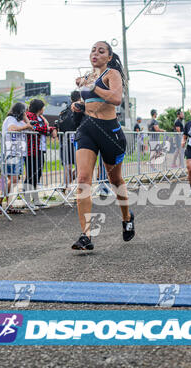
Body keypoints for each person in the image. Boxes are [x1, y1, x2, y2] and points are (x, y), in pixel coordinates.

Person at [71, 40, 134, 250]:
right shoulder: (89, 77)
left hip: (110, 133)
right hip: (87, 130)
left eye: (101, 51)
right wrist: (78, 104)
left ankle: (127, 217)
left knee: (114, 179)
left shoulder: (112, 74)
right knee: (83, 179)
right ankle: (86, 236)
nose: (95, 53)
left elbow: (116, 99)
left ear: (108, 56)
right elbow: (91, 101)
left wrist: (94, 87)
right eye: (93, 50)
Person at [0, 102, 32, 213]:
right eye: (24, 112)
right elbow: (11, 129)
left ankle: (8, 204)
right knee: (12, 179)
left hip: (18, 153)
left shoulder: (21, 121)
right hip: (10, 152)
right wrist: (25, 125)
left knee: (14, 180)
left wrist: (26, 119)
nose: (25, 114)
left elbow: (30, 127)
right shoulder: (10, 119)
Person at [24, 99, 57, 207]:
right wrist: (49, 130)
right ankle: (27, 200)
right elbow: (34, 128)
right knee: (30, 175)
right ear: (39, 107)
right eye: (43, 107)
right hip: (31, 149)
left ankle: (36, 199)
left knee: (37, 175)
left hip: (40, 149)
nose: (44, 109)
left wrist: (51, 129)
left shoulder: (41, 117)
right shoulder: (28, 115)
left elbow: (43, 128)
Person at [57, 91, 81, 194]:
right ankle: (67, 185)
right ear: (79, 98)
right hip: (77, 141)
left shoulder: (63, 112)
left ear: (71, 99)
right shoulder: (79, 110)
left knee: (68, 165)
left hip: (64, 140)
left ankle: (66, 185)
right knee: (79, 166)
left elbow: (59, 127)